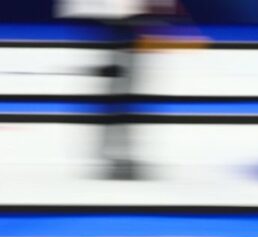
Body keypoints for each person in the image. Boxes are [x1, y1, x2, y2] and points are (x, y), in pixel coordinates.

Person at [55, 0, 177, 180]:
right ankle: (115, 156)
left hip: (128, 32)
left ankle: (117, 155)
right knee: (118, 97)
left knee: (123, 96)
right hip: (118, 31)